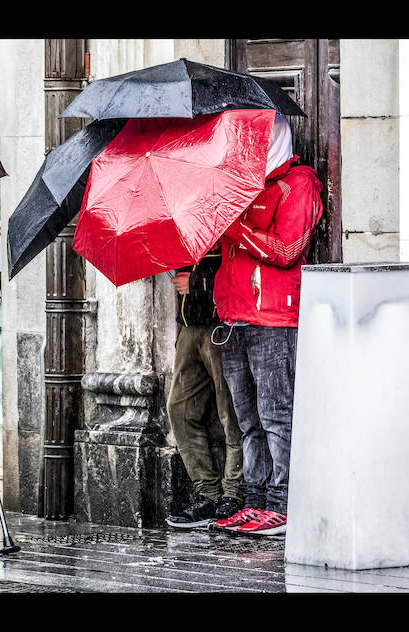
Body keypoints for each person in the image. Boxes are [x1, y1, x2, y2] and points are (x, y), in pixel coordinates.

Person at [210, 113, 323, 536]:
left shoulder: (299, 184)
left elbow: (289, 249)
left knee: (278, 414)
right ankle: (255, 500)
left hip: (275, 319)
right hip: (235, 318)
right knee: (248, 419)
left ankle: (282, 503)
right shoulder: (241, 190)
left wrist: (235, 228)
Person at [164, 248, 245, 529]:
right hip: (189, 327)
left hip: (220, 325)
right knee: (180, 409)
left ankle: (234, 494)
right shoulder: (185, 230)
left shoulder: (225, 219)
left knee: (231, 412)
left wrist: (196, 283)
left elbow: (239, 272)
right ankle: (208, 494)